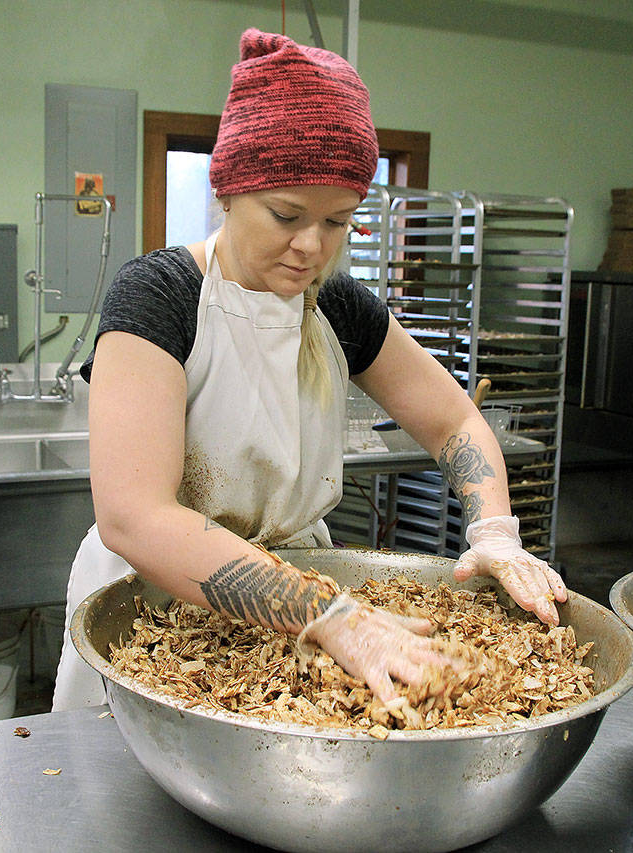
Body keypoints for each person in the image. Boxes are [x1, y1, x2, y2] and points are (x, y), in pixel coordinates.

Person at [52, 28, 566, 711]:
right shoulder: (160, 297)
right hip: (154, 603)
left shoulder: (337, 309)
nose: (311, 248)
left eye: (339, 222)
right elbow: (135, 517)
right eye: (287, 214)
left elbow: (453, 419)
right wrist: (331, 614)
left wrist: (495, 529)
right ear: (228, 191)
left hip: (300, 604)